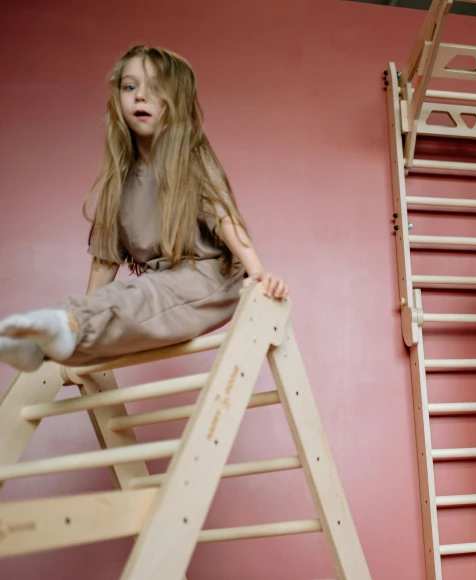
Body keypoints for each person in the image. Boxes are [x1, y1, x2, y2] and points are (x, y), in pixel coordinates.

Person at [0, 45, 288, 372]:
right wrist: (80, 316)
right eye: (130, 87)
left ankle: (60, 330)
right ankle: (50, 344)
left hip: (210, 276)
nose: (140, 97)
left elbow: (225, 218)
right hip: (160, 282)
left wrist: (259, 274)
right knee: (133, 298)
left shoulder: (190, 157)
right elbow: (105, 260)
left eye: (156, 88)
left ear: (176, 100)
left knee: (143, 296)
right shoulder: (119, 180)